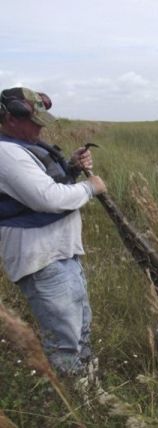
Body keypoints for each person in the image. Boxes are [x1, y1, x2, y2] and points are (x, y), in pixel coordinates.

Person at [0, 87, 107, 376]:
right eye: (34, 121)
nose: (39, 128)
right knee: (65, 338)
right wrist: (89, 188)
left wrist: (71, 167)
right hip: (41, 258)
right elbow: (47, 199)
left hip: (60, 251)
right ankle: (73, 401)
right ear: (10, 118)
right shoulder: (6, 153)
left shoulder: (22, 145)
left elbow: (49, 184)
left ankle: (86, 385)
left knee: (80, 325)